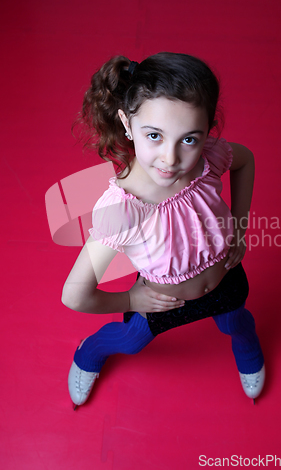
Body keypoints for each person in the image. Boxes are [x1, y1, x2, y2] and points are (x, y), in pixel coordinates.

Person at [62, 52, 265, 408]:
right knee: (130, 340)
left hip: (225, 279)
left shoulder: (208, 160)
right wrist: (129, 300)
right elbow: (74, 295)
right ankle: (89, 352)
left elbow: (244, 159)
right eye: (154, 135)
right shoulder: (122, 209)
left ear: (207, 130)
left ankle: (246, 345)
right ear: (127, 122)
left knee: (237, 322)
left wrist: (238, 225)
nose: (170, 159)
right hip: (164, 302)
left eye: (189, 139)